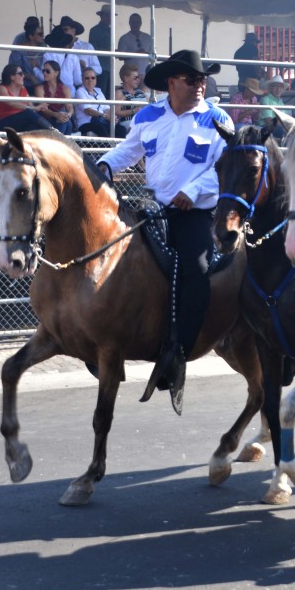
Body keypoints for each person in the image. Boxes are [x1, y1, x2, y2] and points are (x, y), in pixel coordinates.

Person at [96, 49, 231, 396]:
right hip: (151, 208)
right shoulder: (148, 115)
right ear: (172, 83)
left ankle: (178, 353)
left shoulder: (217, 119)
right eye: (192, 79)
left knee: (197, 271)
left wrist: (193, 190)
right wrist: (104, 165)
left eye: (202, 80)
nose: (200, 85)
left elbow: (225, 170)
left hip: (193, 212)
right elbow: (129, 151)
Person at [0, 64, 53, 133]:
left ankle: (51, 135)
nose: (23, 76)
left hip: (20, 122)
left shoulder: (22, 88)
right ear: (12, 77)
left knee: (34, 127)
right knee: (28, 113)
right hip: (3, 122)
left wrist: (40, 107)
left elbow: (30, 105)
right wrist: (34, 108)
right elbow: (12, 103)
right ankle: (52, 130)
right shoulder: (2, 88)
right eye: (20, 74)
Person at [34, 59, 73, 135]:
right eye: (43, 71)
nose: (44, 73)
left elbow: (70, 107)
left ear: (56, 73)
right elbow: (43, 108)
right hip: (45, 119)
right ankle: (60, 141)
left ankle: (58, 140)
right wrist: (56, 115)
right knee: (66, 123)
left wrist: (68, 115)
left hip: (60, 118)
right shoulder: (40, 88)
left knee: (66, 122)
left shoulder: (65, 89)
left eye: (47, 71)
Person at [73, 69, 116, 136]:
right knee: (101, 127)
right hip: (86, 124)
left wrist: (112, 117)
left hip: (101, 121)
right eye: (87, 78)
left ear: (96, 80)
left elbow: (106, 108)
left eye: (93, 78)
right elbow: (88, 111)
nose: (90, 80)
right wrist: (104, 116)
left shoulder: (98, 91)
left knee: (120, 128)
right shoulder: (80, 91)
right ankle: (108, 143)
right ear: (82, 80)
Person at [9, 17, 46, 91]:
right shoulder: (19, 48)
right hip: (23, 85)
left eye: (42, 34)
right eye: (40, 34)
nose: (42, 36)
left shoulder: (43, 49)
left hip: (41, 85)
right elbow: (13, 69)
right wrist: (31, 77)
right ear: (31, 36)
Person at [43, 27, 81, 93]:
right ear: (66, 43)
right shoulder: (74, 57)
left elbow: (45, 76)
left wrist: (35, 69)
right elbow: (78, 81)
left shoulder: (47, 55)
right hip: (70, 92)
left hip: (53, 92)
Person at [113, 62, 146, 135]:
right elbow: (115, 112)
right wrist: (133, 111)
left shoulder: (140, 92)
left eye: (138, 77)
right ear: (126, 79)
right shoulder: (120, 92)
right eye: (135, 78)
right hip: (128, 123)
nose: (138, 80)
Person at [88, 4, 114, 95]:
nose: (109, 18)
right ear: (101, 16)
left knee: (109, 94)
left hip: (110, 67)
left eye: (111, 15)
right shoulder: (94, 30)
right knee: (101, 93)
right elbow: (93, 48)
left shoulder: (111, 30)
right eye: (107, 15)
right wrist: (109, 51)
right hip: (100, 67)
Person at [117, 12, 153, 77]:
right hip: (130, 75)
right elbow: (121, 56)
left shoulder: (148, 37)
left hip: (145, 73)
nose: (135, 24)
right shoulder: (124, 38)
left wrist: (145, 53)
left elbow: (152, 56)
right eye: (133, 22)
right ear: (129, 23)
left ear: (141, 23)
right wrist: (136, 54)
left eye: (137, 22)